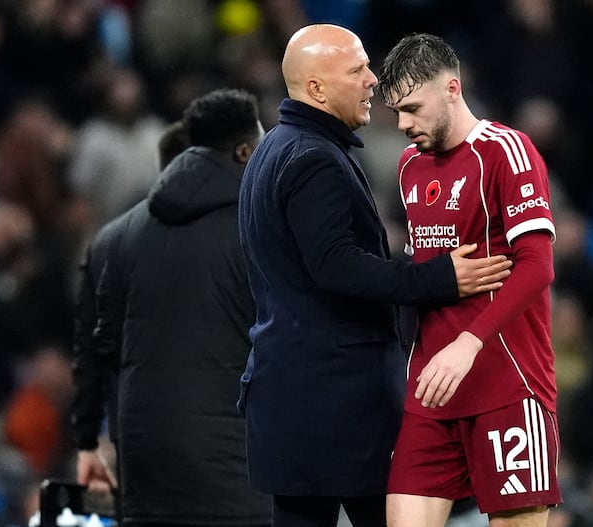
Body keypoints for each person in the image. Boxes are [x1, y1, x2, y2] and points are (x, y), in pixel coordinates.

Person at [237, 24, 512, 527]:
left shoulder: (274, 149)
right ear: (317, 89)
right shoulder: (313, 159)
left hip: (289, 395)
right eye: (357, 70)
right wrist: (437, 279)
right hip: (336, 403)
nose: (373, 81)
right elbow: (336, 268)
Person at [377, 33, 562, 527]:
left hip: (507, 382)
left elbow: (537, 266)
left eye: (413, 108)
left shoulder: (507, 151)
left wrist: (468, 342)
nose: (402, 124)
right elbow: (424, 274)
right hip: (431, 389)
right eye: (396, 111)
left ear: (452, 89)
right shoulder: (409, 166)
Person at [92, 88, 272, 527]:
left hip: (145, 479)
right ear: (245, 152)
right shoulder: (264, 231)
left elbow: (105, 356)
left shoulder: (118, 236)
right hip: (238, 482)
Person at [71, 120, 190, 500]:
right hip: (212, 449)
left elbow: (93, 350)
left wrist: (90, 439)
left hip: (137, 437)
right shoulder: (233, 236)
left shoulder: (113, 241)